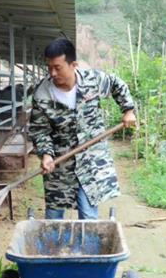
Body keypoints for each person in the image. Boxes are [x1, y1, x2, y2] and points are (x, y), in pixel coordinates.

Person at [28, 38, 136, 220]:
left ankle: (87, 246)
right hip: (60, 161)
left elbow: (118, 85)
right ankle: (54, 247)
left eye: (58, 67)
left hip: (91, 157)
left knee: (88, 215)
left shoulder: (93, 80)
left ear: (73, 65)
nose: (52, 73)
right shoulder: (42, 94)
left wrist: (128, 110)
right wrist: (46, 154)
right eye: (49, 67)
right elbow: (40, 130)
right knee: (54, 215)